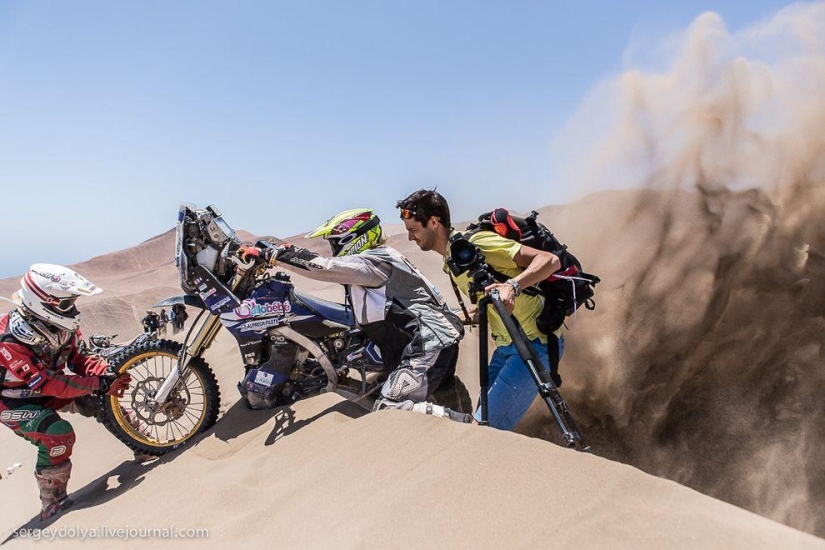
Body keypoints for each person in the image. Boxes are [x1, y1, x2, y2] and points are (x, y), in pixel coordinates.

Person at [239, 208, 469, 421]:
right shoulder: (379, 258)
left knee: (389, 408)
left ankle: (464, 427)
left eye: (335, 243)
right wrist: (293, 252)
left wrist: (275, 255)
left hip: (427, 345)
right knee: (430, 394)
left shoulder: (374, 261)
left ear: (353, 239)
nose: (334, 250)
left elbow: (326, 267)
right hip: (427, 343)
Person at [396, 189, 564, 431]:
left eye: (413, 230)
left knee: (483, 430)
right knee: (483, 422)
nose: (411, 238)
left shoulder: (476, 243)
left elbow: (549, 260)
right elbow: (490, 303)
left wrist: (513, 286)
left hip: (533, 346)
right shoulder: (452, 259)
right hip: (507, 349)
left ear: (433, 222)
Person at [0, 264, 132, 520]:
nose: (72, 309)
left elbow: (80, 357)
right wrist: (97, 384)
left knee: (101, 398)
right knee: (57, 434)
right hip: (12, 402)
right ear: (43, 302)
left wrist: (104, 372)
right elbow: (47, 383)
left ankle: (141, 441)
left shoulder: (60, 326)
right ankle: (52, 501)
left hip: (45, 386)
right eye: (65, 304)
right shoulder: (9, 341)